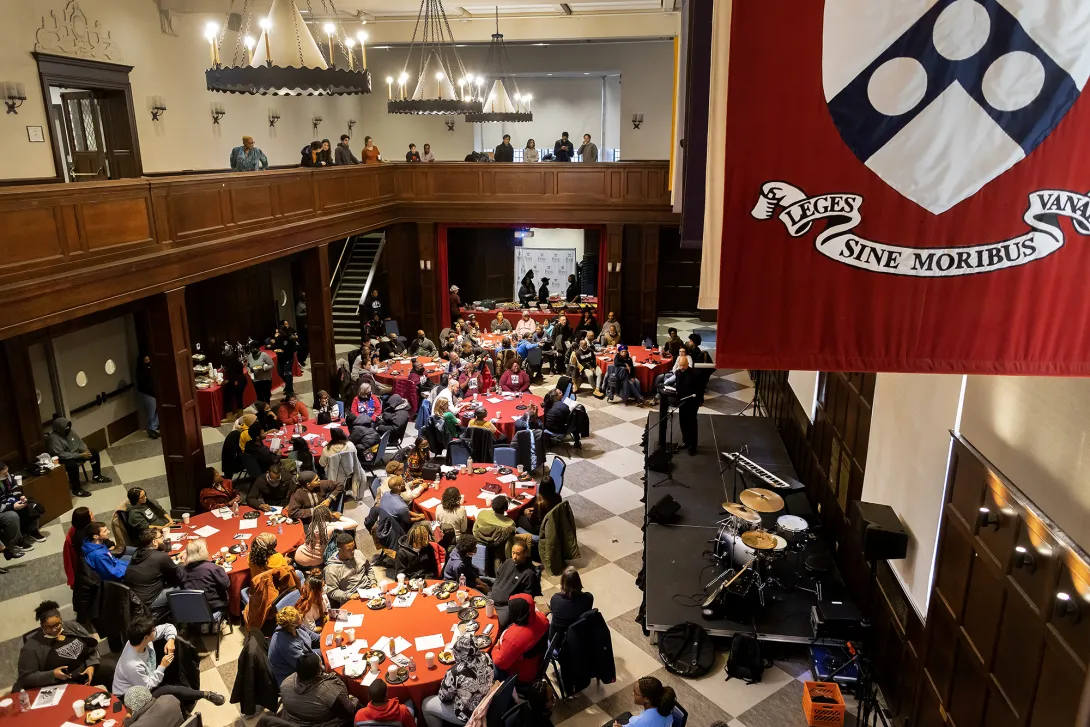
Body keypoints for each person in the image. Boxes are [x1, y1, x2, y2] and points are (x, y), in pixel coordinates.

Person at [113, 617, 226, 705]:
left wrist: (171, 639)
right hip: (131, 697)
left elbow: (168, 627)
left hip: (146, 678)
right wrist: (162, 666)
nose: (155, 631)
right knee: (168, 689)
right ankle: (205, 695)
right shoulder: (132, 665)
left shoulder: (137, 641)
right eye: (153, 630)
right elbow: (147, 687)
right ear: (145, 638)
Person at [15, 600, 101, 690]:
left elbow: (90, 646)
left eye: (57, 625)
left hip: (86, 671)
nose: (54, 630)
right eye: (49, 627)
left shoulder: (72, 627)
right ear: (42, 626)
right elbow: (26, 678)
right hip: (60, 683)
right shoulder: (31, 648)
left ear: (61, 619)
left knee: (110, 668)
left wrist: (91, 665)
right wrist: (52, 674)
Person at [422, 634, 494, 726]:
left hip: (468, 714)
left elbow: (443, 698)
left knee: (426, 704)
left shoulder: (455, 672)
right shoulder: (486, 656)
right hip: (486, 702)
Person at [281, 652, 358, 727]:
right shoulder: (328, 690)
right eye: (320, 665)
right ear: (318, 671)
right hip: (321, 722)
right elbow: (348, 712)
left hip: (292, 721)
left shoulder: (286, 682)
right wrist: (355, 699)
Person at [124, 529, 182, 622]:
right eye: (161, 537)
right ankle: (181, 619)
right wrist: (182, 565)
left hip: (134, 600)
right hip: (149, 602)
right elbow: (177, 578)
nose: (163, 539)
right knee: (181, 587)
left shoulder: (137, 553)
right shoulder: (161, 557)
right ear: (154, 542)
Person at [491, 593, 548, 683]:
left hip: (522, 675)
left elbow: (500, 662)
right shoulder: (543, 618)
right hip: (537, 663)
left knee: (491, 662)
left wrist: (495, 648)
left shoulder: (513, 639)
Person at [47, 417, 108, 497]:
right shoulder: (53, 438)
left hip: (76, 453)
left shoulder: (70, 432)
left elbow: (80, 443)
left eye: (69, 427)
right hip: (63, 458)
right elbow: (61, 454)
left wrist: (85, 451)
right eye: (66, 427)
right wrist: (80, 455)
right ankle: (76, 489)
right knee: (72, 465)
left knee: (94, 452)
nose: (68, 429)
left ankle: (97, 476)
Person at [269, 606, 321, 686]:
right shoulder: (288, 645)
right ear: (293, 625)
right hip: (292, 678)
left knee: (327, 652)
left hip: (306, 656)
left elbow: (313, 636)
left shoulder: (296, 627)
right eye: (298, 616)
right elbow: (306, 667)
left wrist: (329, 640)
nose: (300, 615)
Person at [324, 530, 378, 606]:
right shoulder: (331, 569)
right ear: (340, 550)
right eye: (349, 550)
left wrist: (373, 582)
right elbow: (332, 591)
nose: (353, 551)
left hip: (369, 590)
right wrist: (349, 596)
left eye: (353, 548)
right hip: (351, 598)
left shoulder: (358, 553)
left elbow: (368, 569)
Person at [491, 540, 542, 619]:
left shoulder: (529, 574)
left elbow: (527, 598)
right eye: (513, 552)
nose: (514, 556)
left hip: (505, 608)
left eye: (518, 554)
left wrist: (510, 604)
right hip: (491, 598)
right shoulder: (508, 562)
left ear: (525, 554)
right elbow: (498, 576)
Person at [0, 461, 44, 549]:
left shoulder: (8, 476)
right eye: (4, 473)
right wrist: (11, 506)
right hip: (2, 508)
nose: (7, 474)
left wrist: (20, 497)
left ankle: (31, 531)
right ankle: (17, 541)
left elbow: (15, 489)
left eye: (7, 471)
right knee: (12, 515)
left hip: (10, 501)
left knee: (31, 505)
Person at [179, 538, 230, 613]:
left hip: (193, 609)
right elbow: (227, 584)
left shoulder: (183, 571)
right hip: (214, 607)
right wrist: (221, 570)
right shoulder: (213, 568)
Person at [613, 676, 678, 727]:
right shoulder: (666, 708)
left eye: (636, 693)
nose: (633, 694)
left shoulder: (638, 722)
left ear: (647, 699)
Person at [549, 566, 594, 638]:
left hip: (558, 641)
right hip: (578, 638)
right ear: (578, 582)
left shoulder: (555, 599)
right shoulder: (588, 598)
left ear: (563, 583)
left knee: (551, 616)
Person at [472, 497, 514, 571]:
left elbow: (474, 530)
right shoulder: (510, 523)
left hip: (481, 542)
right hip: (498, 547)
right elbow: (509, 543)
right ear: (506, 508)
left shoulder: (482, 514)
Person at [672, 355, 701, 455]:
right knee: (683, 422)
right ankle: (686, 441)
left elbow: (699, 389)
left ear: (688, 364)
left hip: (692, 403)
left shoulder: (694, 374)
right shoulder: (678, 373)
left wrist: (699, 401)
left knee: (691, 424)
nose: (682, 368)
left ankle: (693, 446)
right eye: (680, 365)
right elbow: (678, 387)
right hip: (682, 401)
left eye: (684, 365)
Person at [63, 507, 93, 586]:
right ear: (85, 519)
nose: (93, 516)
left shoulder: (75, 529)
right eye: (91, 514)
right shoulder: (84, 537)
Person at [134, 354, 159, 439]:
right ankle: (152, 429)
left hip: (148, 393)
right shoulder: (142, 371)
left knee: (153, 412)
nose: (148, 362)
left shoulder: (142, 370)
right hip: (149, 394)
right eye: (146, 360)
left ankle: (152, 429)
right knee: (152, 413)